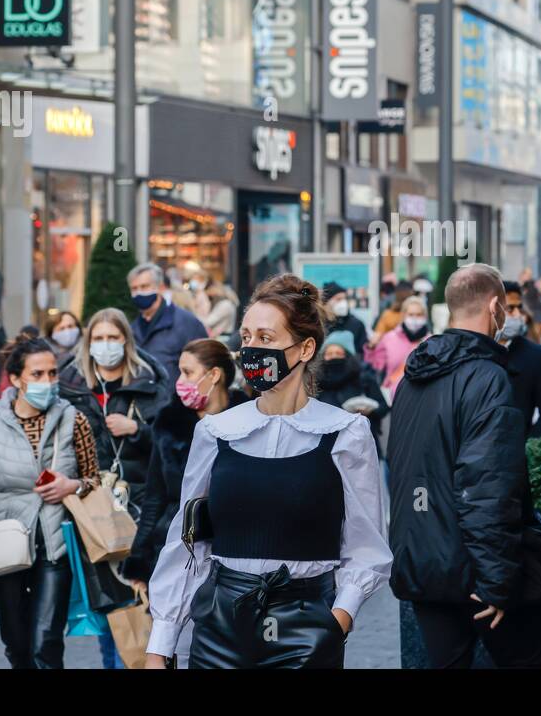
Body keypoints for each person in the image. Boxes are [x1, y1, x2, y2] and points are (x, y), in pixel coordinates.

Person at [145, 274, 391, 669]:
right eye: (245, 338)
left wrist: (337, 621)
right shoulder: (215, 431)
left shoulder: (345, 433)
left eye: (265, 338)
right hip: (219, 623)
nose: (251, 350)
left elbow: (366, 546)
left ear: (305, 348)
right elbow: (188, 542)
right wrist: (160, 644)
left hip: (306, 622)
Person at [387, 264, 541, 669]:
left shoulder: (413, 376)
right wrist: (497, 582)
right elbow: (489, 487)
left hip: (423, 565)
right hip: (475, 572)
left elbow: (403, 469)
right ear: (496, 306)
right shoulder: (488, 378)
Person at [0, 333, 102, 669]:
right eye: (37, 374)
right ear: (15, 379)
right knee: (17, 642)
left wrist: (71, 486)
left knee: (46, 643)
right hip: (5, 540)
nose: (48, 381)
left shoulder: (74, 419)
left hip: (56, 544)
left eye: (52, 373)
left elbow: (95, 481)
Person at [124, 339, 241, 589]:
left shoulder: (247, 420)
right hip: (177, 547)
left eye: (188, 372)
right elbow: (154, 495)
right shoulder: (169, 423)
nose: (180, 381)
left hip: (234, 551)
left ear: (214, 375)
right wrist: (140, 559)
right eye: (180, 371)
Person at [59, 308, 169, 520]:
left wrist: (137, 429)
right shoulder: (69, 385)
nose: (105, 344)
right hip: (85, 496)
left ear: (125, 340)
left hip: (138, 495)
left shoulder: (149, 384)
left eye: (112, 337)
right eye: (98, 338)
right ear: (89, 343)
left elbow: (169, 443)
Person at [499, 281, 541, 441]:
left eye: (518, 307)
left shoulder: (537, 356)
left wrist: (526, 447)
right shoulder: (472, 350)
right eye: (509, 308)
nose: (517, 314)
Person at [128, 263, 208, 385]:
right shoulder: (131, 328)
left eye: (144, 286)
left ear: (160, 288)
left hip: (175, 401)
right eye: (134, 288)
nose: (139, 293)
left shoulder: (187, 323)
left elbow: (203, 365)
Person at [317, 330, 390, 454]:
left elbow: (383, 406)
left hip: (360, 447)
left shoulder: (363, 377)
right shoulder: (315, 382)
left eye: (338, 353)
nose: (334, 357)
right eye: (329, 354)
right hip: (324, 447)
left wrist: (370, 411)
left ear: (348, 355)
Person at [364, 295, 430, 400]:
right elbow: (376, 366)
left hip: (422, 398)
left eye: (419, 315)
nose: (415, 319)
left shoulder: (431, 341)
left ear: (425, 317)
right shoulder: (389, 338)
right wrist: (371, 347)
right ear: (403, 316)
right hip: (395, 396)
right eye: (411, 314)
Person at [322, 281, 367, 357]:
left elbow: (361, 354)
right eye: (338, 299)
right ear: (326, 303)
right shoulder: (319, 325)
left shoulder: (356, 324)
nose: (343, 302)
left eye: (345, 299)